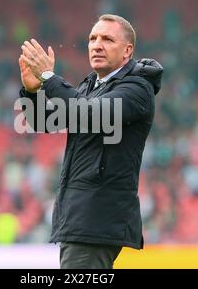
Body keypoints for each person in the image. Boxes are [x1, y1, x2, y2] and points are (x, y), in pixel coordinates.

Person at [18, 14, 163, 269]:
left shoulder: (137, 88)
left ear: (127, 50)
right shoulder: (91, 86)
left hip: (96, 219)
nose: (97, 44)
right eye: (92, 38)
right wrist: (32, 91)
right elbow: (44, 122)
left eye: (107, 39)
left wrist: (50, 78)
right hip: (79, 216)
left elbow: (89, 114)